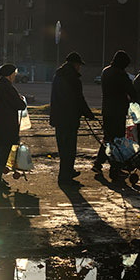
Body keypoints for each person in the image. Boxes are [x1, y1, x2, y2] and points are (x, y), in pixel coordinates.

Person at [50, 52, 95, 186]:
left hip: (59, 117)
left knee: (63, 148)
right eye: (79, 65)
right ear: (75, 65)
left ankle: (67, 172)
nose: (79, 68)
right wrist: (88, 113)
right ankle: (66, 176)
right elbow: (78, 99)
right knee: (69, 149)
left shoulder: (58, 76)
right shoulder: (74, 79)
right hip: (69, 118)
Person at [92, 50, 134, 178]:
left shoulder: (106, 71)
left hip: (107, 109)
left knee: (108, 138)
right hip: (118, 111)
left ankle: (98, 163)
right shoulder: (121, 74)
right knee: (118, 140)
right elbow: (131, 91)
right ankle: (115, 168)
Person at [0, 64, 27, 191]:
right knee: (4, 153)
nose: (15, 77)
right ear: (10, 75)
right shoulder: (8, 88)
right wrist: (20, 99)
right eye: (14, 74)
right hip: (7, 126)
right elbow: (20, 105)